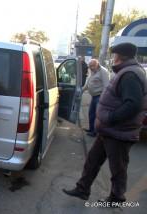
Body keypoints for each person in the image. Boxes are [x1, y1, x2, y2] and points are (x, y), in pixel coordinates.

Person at [63, 43, 147, 206]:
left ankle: (116, 199)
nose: (113, 58)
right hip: (109, 131)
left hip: (118, 132)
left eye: (114, 55)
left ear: (120, 56)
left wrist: (109, 117)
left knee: (118, 168)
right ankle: (82, 189)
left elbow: (133, 104)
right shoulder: (127, 71)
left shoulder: (130, 74)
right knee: (92, 161)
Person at [82, 59, 109, 137]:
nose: (90, 68)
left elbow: (106, 86)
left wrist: (103, 99)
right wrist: (81, 90)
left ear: (97, 64)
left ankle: (95, 132)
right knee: (91, 114)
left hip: (100, 96)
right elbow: (88, 83)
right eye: (89, 66)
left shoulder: (103, 71)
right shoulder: (93, 71)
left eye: (92, 66)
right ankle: (91, 129)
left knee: (97, 115)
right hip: (94, 96)